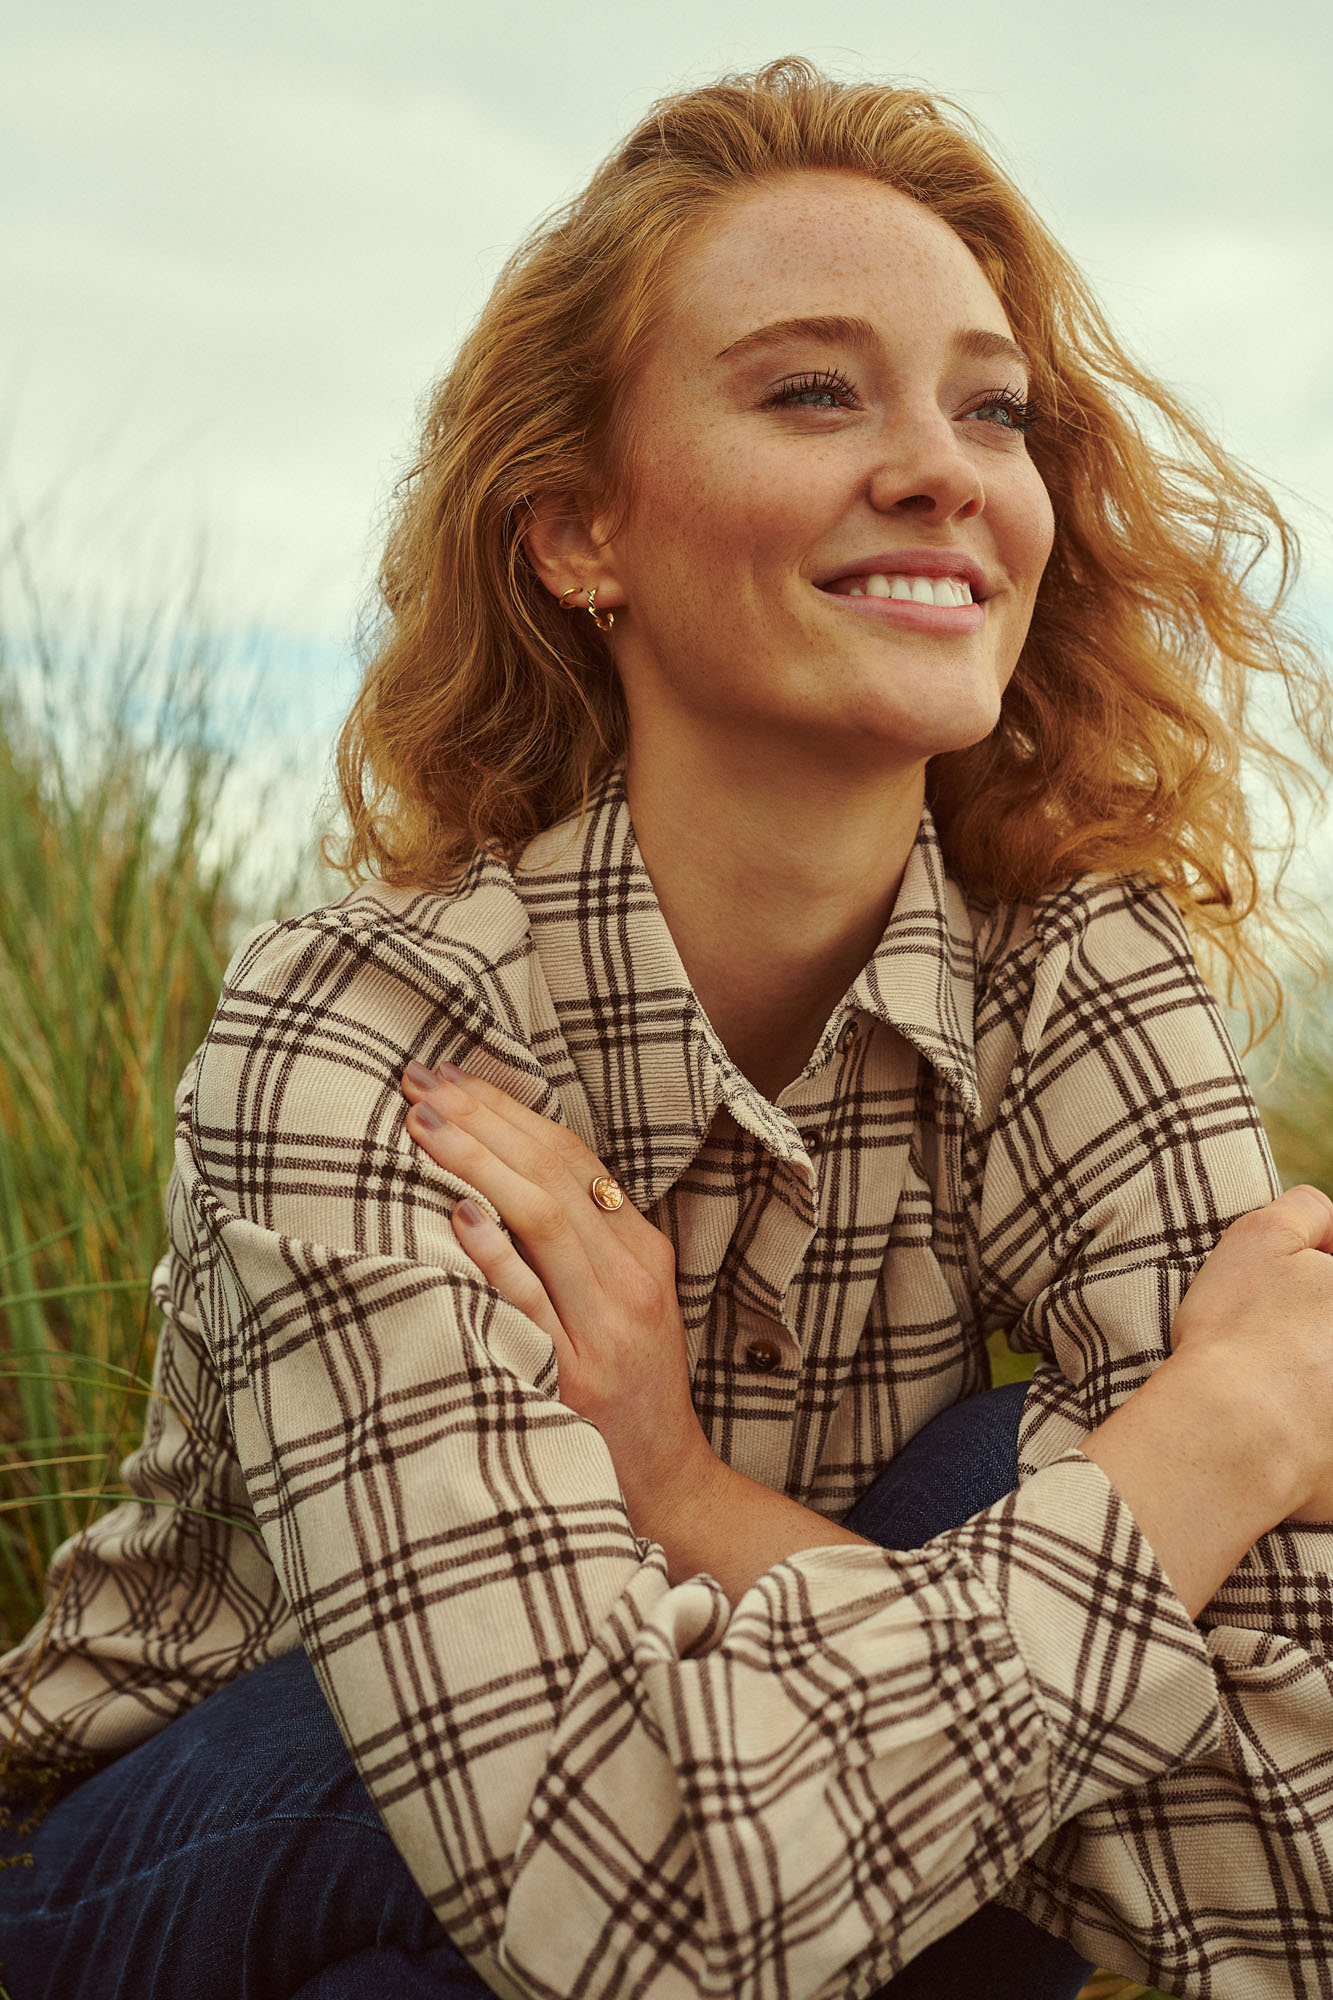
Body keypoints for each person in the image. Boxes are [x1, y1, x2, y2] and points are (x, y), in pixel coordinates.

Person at [2, 56, 1333, 2000]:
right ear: (578, 532)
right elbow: (602, 1889)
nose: (941, 468)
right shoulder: (367, 1028)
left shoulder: (1081, 981)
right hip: (194, 1865)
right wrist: (1218, 1429)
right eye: (812, 389)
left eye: (993, 408)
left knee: (1009, 1484)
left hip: (711, 1873)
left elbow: (1297, 1878)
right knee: (469, 1860)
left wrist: (690, 1502)